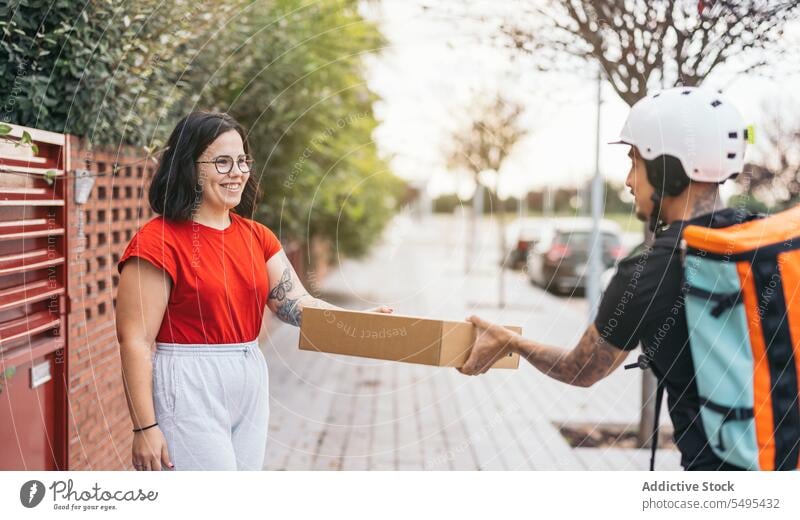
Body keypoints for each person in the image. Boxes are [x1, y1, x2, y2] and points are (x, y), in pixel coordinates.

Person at [460, 87, 755, 470]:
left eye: (634, 160)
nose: (629, 180)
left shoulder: (649, 272)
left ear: (668, 169)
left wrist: (510, 341)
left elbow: (581, 369)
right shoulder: (771, 243)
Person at [115, 112, 391, 471]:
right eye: (222, 162)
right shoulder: (157, 241)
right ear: (189, 167)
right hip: (189, 381)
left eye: (243, 160)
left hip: (248, 372)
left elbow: (296, 304)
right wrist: (145, 426)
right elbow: (134, 339)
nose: (238, 172)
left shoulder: (257, 237)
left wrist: (355, 323)